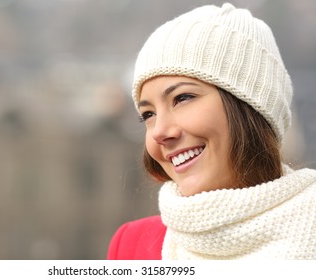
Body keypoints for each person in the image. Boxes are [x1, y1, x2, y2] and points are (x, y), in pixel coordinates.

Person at [107, 3, 316, 260]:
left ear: (251, 107)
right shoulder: (132, 246)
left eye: (182, 98)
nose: (160, 131)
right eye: (148, 115)